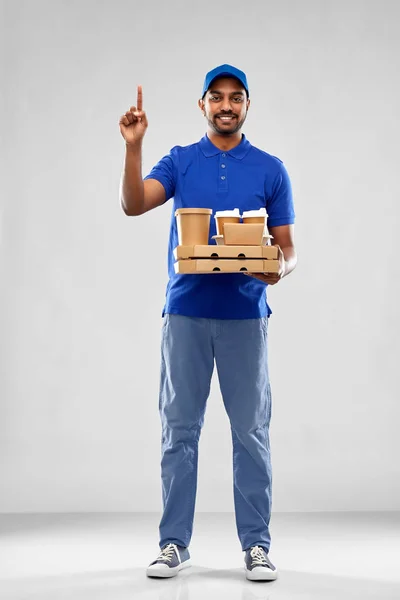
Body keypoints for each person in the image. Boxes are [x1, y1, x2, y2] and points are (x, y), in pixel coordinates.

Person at [119, 64, 297, 582]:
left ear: (246, 106)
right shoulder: (180, 162)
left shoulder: (270, 169)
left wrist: (275, 269)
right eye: (215, 97)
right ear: (202, 105)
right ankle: (173, 544)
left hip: (245, 317)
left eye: (235, 97)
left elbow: (287, 251)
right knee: (179, 431)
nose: (225, 105)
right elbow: (133, 205)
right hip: (186, 314)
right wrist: (134, 146)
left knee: (251, 432)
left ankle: (257, 546)